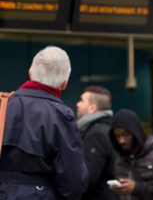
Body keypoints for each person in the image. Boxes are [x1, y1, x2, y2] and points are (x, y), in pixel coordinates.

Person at [0, 46, 89, 199]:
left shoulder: (3, 104)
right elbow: (73, 181)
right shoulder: (62, 115)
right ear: (64, 83)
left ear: (29, 72)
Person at [109, 109, 153, 200]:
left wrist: (137, 189)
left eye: (126, 135)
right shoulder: (120, 159)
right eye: (118, 136)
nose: (122, 141)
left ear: (135, 132)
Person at [76, 86, 117, 200]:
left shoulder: (96, 134)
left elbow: (87, 178)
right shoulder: (108, 129)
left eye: (82, 101)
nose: (77, 104)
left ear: (92, 108)